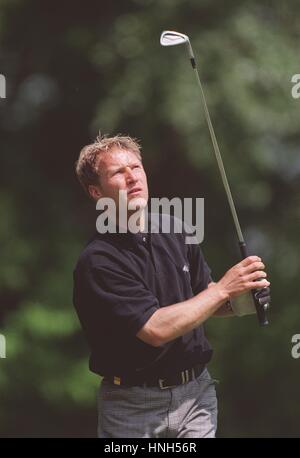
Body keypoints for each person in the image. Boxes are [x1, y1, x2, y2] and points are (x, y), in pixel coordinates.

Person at [73, 133, 270, 438]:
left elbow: (204, 299)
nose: (131, 177)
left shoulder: (175, 230)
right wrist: (224, 289)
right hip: (132, 406)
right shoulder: (99, 260)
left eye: (136, 168)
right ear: (96, 192)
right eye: (117, 172)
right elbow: (155, 329)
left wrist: (245, 299)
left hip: (196, 396)